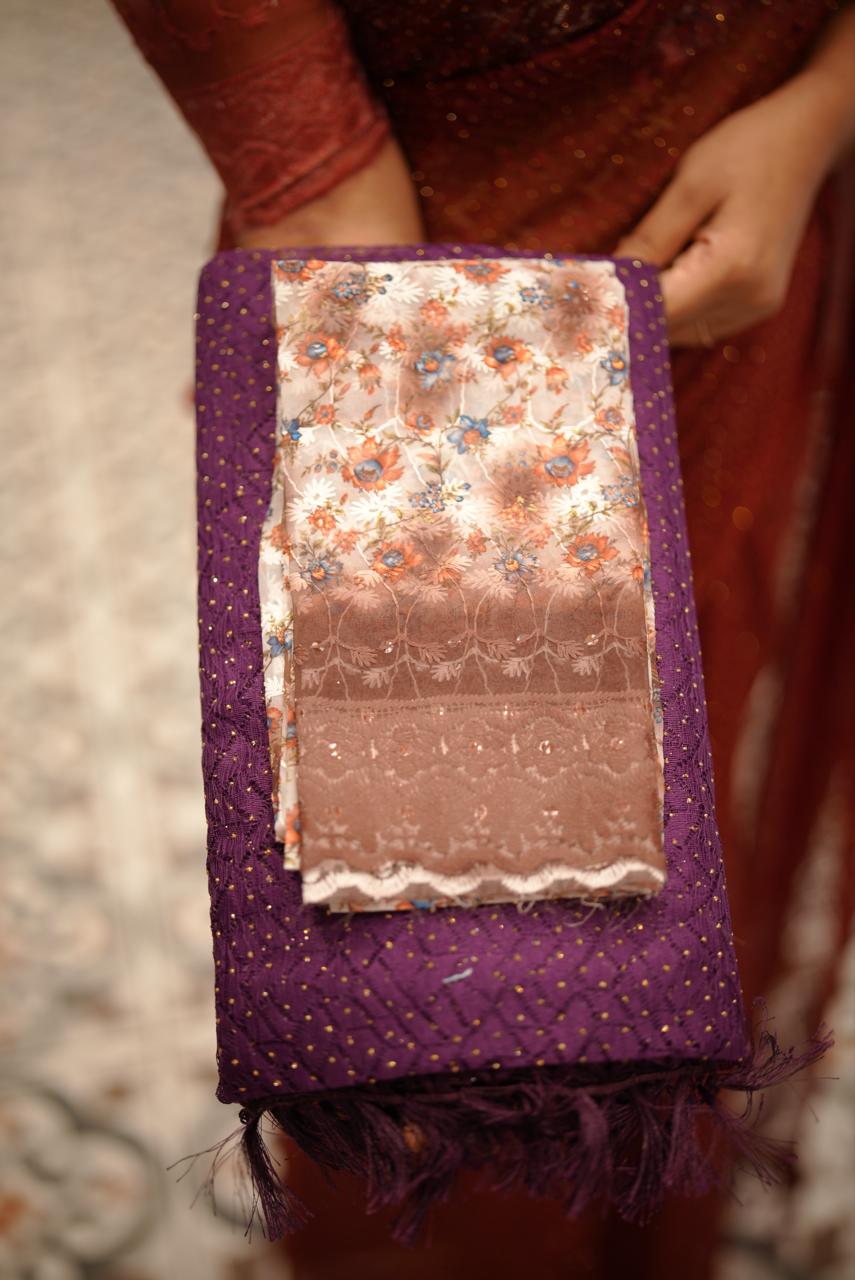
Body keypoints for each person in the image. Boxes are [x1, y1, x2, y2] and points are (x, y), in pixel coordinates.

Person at [111, 2, 855, 1276]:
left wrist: (824, 107)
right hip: (417, 234)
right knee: (437, 991)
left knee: (675, 814)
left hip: (735, 235)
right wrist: (316, 181)